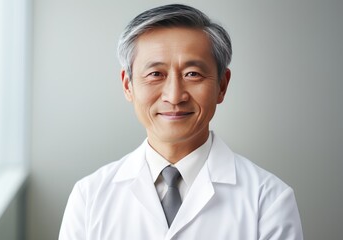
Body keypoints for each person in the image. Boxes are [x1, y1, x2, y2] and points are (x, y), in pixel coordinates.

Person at [59, 4, 303, 240]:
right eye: (156, 74)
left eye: (192, 74)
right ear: (128, 85)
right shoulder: (89, 197)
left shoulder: (269, 200)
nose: (174, 96)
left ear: (222, 85)